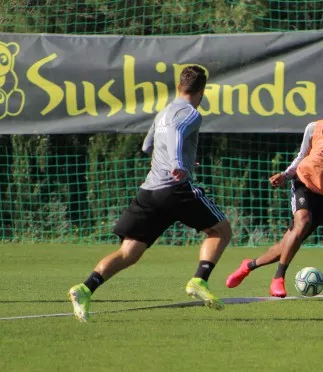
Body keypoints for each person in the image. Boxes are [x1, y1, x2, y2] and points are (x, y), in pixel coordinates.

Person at [68, 66, 232, 322]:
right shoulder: (191, 112)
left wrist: (181, 159)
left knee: (129, 252)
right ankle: (199, 280)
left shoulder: (163, 112)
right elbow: (177, 133)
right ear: (201, 91)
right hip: (175, 190)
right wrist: (178, 162)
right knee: (221, 230)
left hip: (149, 193)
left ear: (179, 87)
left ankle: (85, 288)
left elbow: (147, 145)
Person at [225, 93, 323, 298]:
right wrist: (285, 175)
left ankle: (248, 265)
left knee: (287, 245)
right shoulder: (314, 128)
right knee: (302, 221)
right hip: (303, 183)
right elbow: (301, 156)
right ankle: (278, 278)